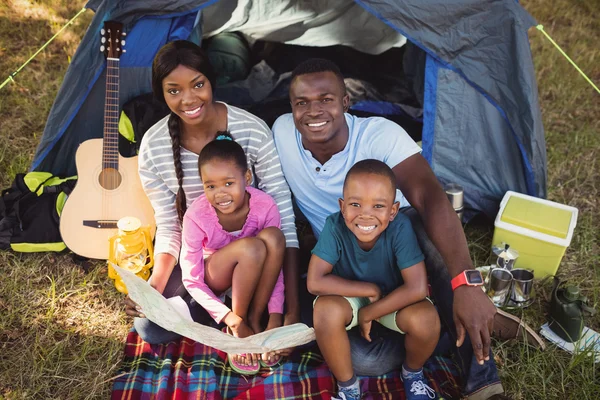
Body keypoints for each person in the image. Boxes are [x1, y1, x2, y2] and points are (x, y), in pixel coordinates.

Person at [272, 58, 506, 399]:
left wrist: (465, 280)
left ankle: (481, 375)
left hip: (396, 245)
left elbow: (430, 197)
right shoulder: (281, 133)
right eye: (302, 102)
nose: (314, 111)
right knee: (365, 360)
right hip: (346, 263)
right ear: (291, 108)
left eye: (326, 99)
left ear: (346, 102)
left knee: (426, 234)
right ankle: (449, 322)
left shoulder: (379, 136)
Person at [126, 40, 300, 345]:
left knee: (299, 310)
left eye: (198, 84)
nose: (189, 99)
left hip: (259, 256)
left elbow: (281, 214)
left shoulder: (251, 130)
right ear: (161, 93)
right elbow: (169, 225)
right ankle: (220, 310)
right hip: (202, 260)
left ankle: (234, 312)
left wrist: (291, 309)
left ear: (211, 82)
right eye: (174, 90)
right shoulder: (154, 148)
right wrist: (154, 287)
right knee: (149, 327)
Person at [308, 160, 440, 400]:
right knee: (325, 312)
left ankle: (412, 374)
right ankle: (348, 387)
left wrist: (371, 312)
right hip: (351, 299)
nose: (365, 214)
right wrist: (367, 289)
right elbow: (315, 281)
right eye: (355, 204)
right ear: (342, 206)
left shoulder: (400, 227)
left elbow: (417, 287)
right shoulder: (335, 226)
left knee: (426, 320)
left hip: (393, 299)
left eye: (378, 206)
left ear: (393, 211)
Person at [180, 133, 285, 374]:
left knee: (273, 238)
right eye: (211, 186)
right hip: (217, 275)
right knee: (251, 246)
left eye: (229, 183)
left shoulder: (264, 205)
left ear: (246, 177)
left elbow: (276, 265)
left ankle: (257, 319)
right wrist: (229, 318)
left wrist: (276, 314)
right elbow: (191, 279)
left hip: (254, 277)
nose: (220, 194)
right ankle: (239, 326)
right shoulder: (196, 216)